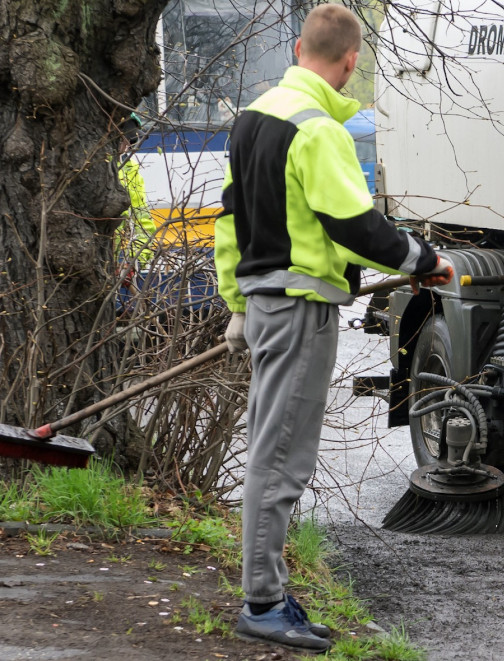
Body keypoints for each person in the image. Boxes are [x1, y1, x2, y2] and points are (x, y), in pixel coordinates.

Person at [213, 4, 453, 653]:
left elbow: (229, 222)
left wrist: (237, 302)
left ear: (298, 47)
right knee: (282, 456)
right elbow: (356, 225)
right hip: (299, 307)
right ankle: (262, 600)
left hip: (266, 304)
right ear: (350, 62)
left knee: (273, 447)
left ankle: (268, 590)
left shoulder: (252, 120)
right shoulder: (318, 130)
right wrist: (425, 262)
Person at [115, 113, 158, 270]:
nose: (127, 147)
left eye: (130, 142)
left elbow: (142, 220)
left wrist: (136, 261)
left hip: (107, 264)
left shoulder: (129, 169)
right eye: (123, 140)